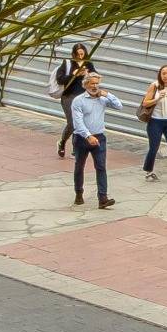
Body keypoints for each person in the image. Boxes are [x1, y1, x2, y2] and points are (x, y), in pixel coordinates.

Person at [68, 70, 123, 208]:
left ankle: (103, 198)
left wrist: (107, 94)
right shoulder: (78, 101)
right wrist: (88, 136)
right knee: (79, 166)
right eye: (92, 83)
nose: (95, 86)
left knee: (101, 167)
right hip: (82, 138)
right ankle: (79, 193)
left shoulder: (102, 99)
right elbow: (77, 123)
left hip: (99, 137)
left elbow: (119, 106)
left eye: (97, 84)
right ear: (86, 85)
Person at [51, 43, 93, 159]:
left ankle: (76, 149)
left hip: (83, 97)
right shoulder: (68, 64)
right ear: (74, 54)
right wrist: (73, 75)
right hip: (69, 97)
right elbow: (60, 80)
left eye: (82, 54)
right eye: (78, 54)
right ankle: (62, 142)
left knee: (80, 122)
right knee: (73, 122)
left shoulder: (88, 64)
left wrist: (88, 74)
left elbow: (95, 77)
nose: (80, 56)